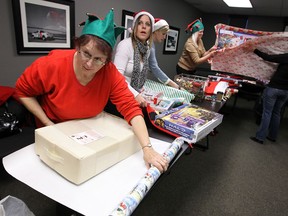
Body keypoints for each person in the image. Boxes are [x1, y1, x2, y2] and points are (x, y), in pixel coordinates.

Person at [15, 9, 168, 172]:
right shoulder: (52, 64)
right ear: (77, 46)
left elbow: (131, 108)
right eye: (86, 54)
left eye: (98, 60)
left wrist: (147, 148)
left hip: (87, 130)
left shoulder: (109, 72)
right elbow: (22, 92)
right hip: (54, 128)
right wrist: (47, 123)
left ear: (107, 60)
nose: (89, 64)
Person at [114, 11, 177, 107]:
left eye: (147, 24)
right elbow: (117, 77)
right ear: (134, 27)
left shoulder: (147, 49)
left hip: (136, 94)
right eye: (140, 23)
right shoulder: (125, 45)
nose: (143, 27)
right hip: (120, 96)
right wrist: (136, 95)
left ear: (151, 30)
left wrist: (144, 92)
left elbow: (139, 76)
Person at [250, 49, 288, 144]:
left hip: (274, 88)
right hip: (286, 91)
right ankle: (272, 136)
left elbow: (269, 58)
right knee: (277, 113)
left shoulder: (287, 57)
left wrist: (255, 50)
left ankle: (260, 137)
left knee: (267, 113)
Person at [149, 18, 179, 89]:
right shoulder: (150, 45)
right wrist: (173, 84)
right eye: (163, 34)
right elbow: (154, 68)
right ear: (156, 31)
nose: (165, 37)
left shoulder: (151, 44)